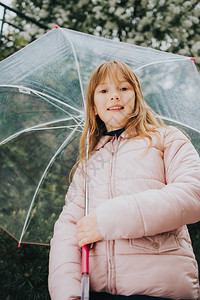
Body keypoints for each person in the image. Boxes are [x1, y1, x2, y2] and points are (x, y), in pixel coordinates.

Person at [48, 61, 200, 300]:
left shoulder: (166, 139)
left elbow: (192, 196)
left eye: (124, 88)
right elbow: (68, 229)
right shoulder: (89, 162)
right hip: (96, 292)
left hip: (159, 291)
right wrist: (67, 293)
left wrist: (106, 220)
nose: (114, 96)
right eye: (104, 91)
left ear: (137, 97)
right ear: (94, 107)